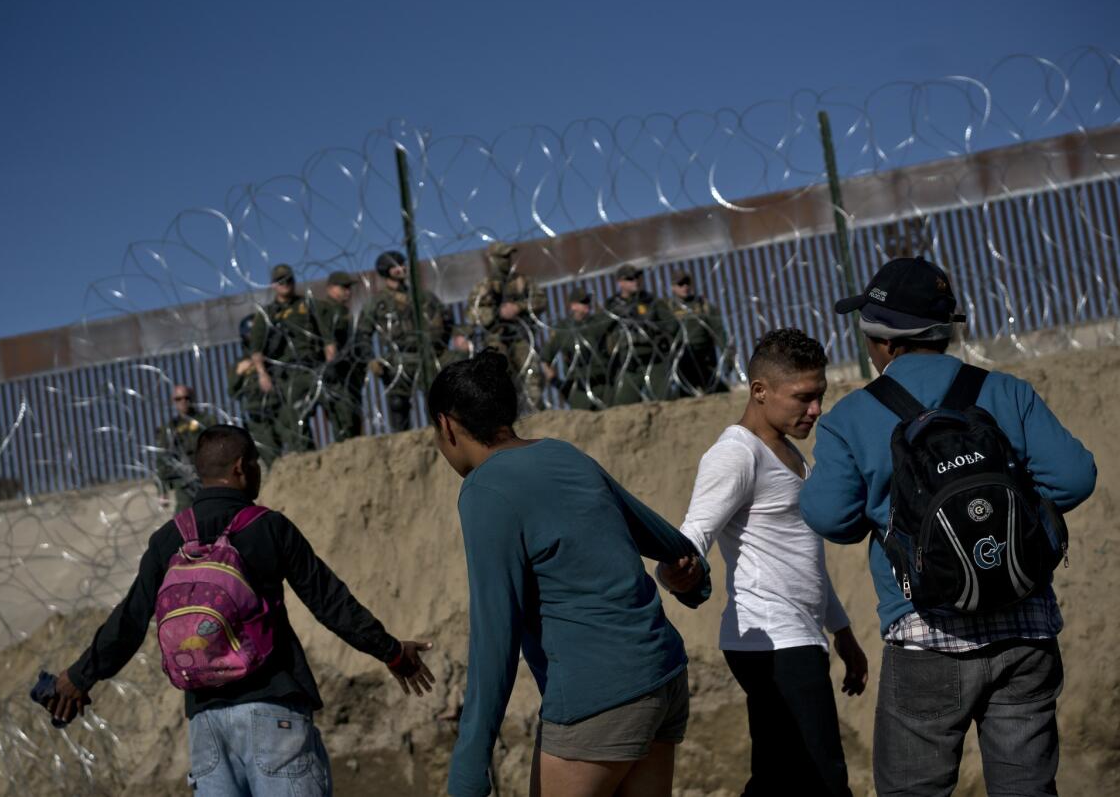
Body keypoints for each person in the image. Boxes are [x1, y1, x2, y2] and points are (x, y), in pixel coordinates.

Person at [799, 257, 1097, 796]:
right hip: (1025, 627)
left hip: (925, 636)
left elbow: (831, 520)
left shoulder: (850, 419)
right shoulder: (1007, 391)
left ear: (883, 342)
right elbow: (1075, 479)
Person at [42, 425, 435, 796]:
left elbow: (128, 621)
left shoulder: (168, 540)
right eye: (255, 465)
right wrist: (393, 652)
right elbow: (329, 602)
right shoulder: (270, 528)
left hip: (206, 725)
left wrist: (80, 677)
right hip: (273, 710)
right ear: (240, 468)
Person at [429, 352, 711, 797]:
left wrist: (469, 768)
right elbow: (663, 538)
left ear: (446, 426)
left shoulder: (483, 492)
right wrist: (695, 577)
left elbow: (494, 637)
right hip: (662, 675)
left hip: (596, 699)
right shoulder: (563, 454)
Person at [658, 328, 867, 797]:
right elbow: (692, 535)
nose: (814, 410)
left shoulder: (790, 452)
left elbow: (803, 556)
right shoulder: (736, 454)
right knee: (823, 778)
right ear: (760, 390)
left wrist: (843, 632)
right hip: (771, 638)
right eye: (803, 397)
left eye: (820, 397)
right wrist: (675, 572)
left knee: (782, 776)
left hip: (796, 635)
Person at [357, 250, 449, 432]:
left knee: (436, 402)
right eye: (396, 266)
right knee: (398, 405)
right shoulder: (377, 303)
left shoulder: (422, 297)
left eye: (403, 264)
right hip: (397, 359)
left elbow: (446, 319)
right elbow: (362, 334)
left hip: (425, 356)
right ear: (386, 270)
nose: (402, 269)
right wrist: (371, 359)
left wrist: (441, 346)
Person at [248, 263, 324, 455]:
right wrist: (262, 374)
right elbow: (256, 350)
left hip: (314, 365)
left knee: (334, 399)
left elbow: (323, 332)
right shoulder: (267, 314)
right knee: (295, 414)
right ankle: (306, 455)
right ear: (274, 285)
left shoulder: (306, 304)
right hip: (288, 372)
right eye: (280, 281)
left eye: (288, 280)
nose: (285, 284)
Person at [465, 241, 549, 412]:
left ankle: (538, 418)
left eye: (508, 257)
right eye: (503, 257)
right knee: (501, 383)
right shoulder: (484, 287)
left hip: (521, 336)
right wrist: (496, 314)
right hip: (496, 340)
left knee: (532, 377)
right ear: (493, 260)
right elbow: (472, 314)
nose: (507, 260)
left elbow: (541, 300)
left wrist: (518, 307)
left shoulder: (522, 282)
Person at [603, 263, 673, 405]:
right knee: (623, 405)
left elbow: (671, 325)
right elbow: (601, 332)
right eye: (630, 278)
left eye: (637, 277)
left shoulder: (651, 301)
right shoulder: (611, 306)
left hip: (653, 359)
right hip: (628, 363)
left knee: (666, 401)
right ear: (620, 283)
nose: (635, 281)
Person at [314, 271, 367, 443]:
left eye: (349, 287)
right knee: (344, 417)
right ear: (330, 288)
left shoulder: (343, 310)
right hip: (335, 371)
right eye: (343, 287)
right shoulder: (324, 309)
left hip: (349, 371)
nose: (348, 291)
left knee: (354, 417)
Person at [658, 270, 730, 397]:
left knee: (718, 394)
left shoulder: (703, 305)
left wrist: (727, 356)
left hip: (705, 358)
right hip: (682, 360)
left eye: (687, 283)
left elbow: (719, 331)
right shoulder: (667, 308)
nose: (685, 287)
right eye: (680, 284)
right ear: (673, 287)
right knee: (684, 397)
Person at [229, 314, 286, 470]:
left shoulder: (275, 356)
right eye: (251, 333)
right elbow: (232, 391)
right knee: (272, 457)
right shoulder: (240, 364)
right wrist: (240, 373)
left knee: (294, 447)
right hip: (258, 414)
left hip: (280, 408)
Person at [539, 286, 610, 410]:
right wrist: (557, 383)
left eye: (588, 301)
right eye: (583, 302)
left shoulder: (598, 323)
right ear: (573, 306)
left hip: (603, 385)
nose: (587, 304)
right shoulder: (563, 329)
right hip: (579, 390)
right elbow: (545, 358)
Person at [155, 384, 217, 512]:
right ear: (174, 401)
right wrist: (162, 491)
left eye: (186, 398)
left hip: (207, 477)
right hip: (184, 482)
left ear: (192, 398)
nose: (183, 401)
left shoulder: (206, 421)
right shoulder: (169, 429)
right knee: (182, 521)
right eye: (178, 399)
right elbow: (162, 459)